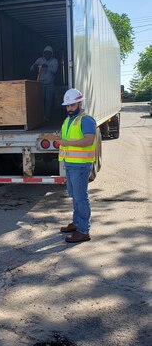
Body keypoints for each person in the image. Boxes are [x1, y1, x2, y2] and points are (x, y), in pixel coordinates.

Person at [57, 88, 96, 243]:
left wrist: (67, 143)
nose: (69, 108)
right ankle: (77, 223)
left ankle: (83, 231)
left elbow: (89, 140)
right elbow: (66, 138)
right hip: (71, 164)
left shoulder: (86, 120)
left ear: (80, 103)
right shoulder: (68, 120)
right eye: (67, 106)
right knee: (75, 197)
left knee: (81, 198)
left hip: (80, 166)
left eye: (72, 105)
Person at [30, 45, 58, 121]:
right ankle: (39, 116)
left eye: (48, 53)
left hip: (50, 84)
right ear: (43, 53)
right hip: (40, 84)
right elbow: (31, 69)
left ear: (51, 54)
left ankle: (47, 117)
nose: (47, 55)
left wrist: (47, 66)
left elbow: (55, 71)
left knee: (48, 101)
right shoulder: (39, 60)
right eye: (45, 53)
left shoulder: (54, 61)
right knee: (40, 100)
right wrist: (35, 66)